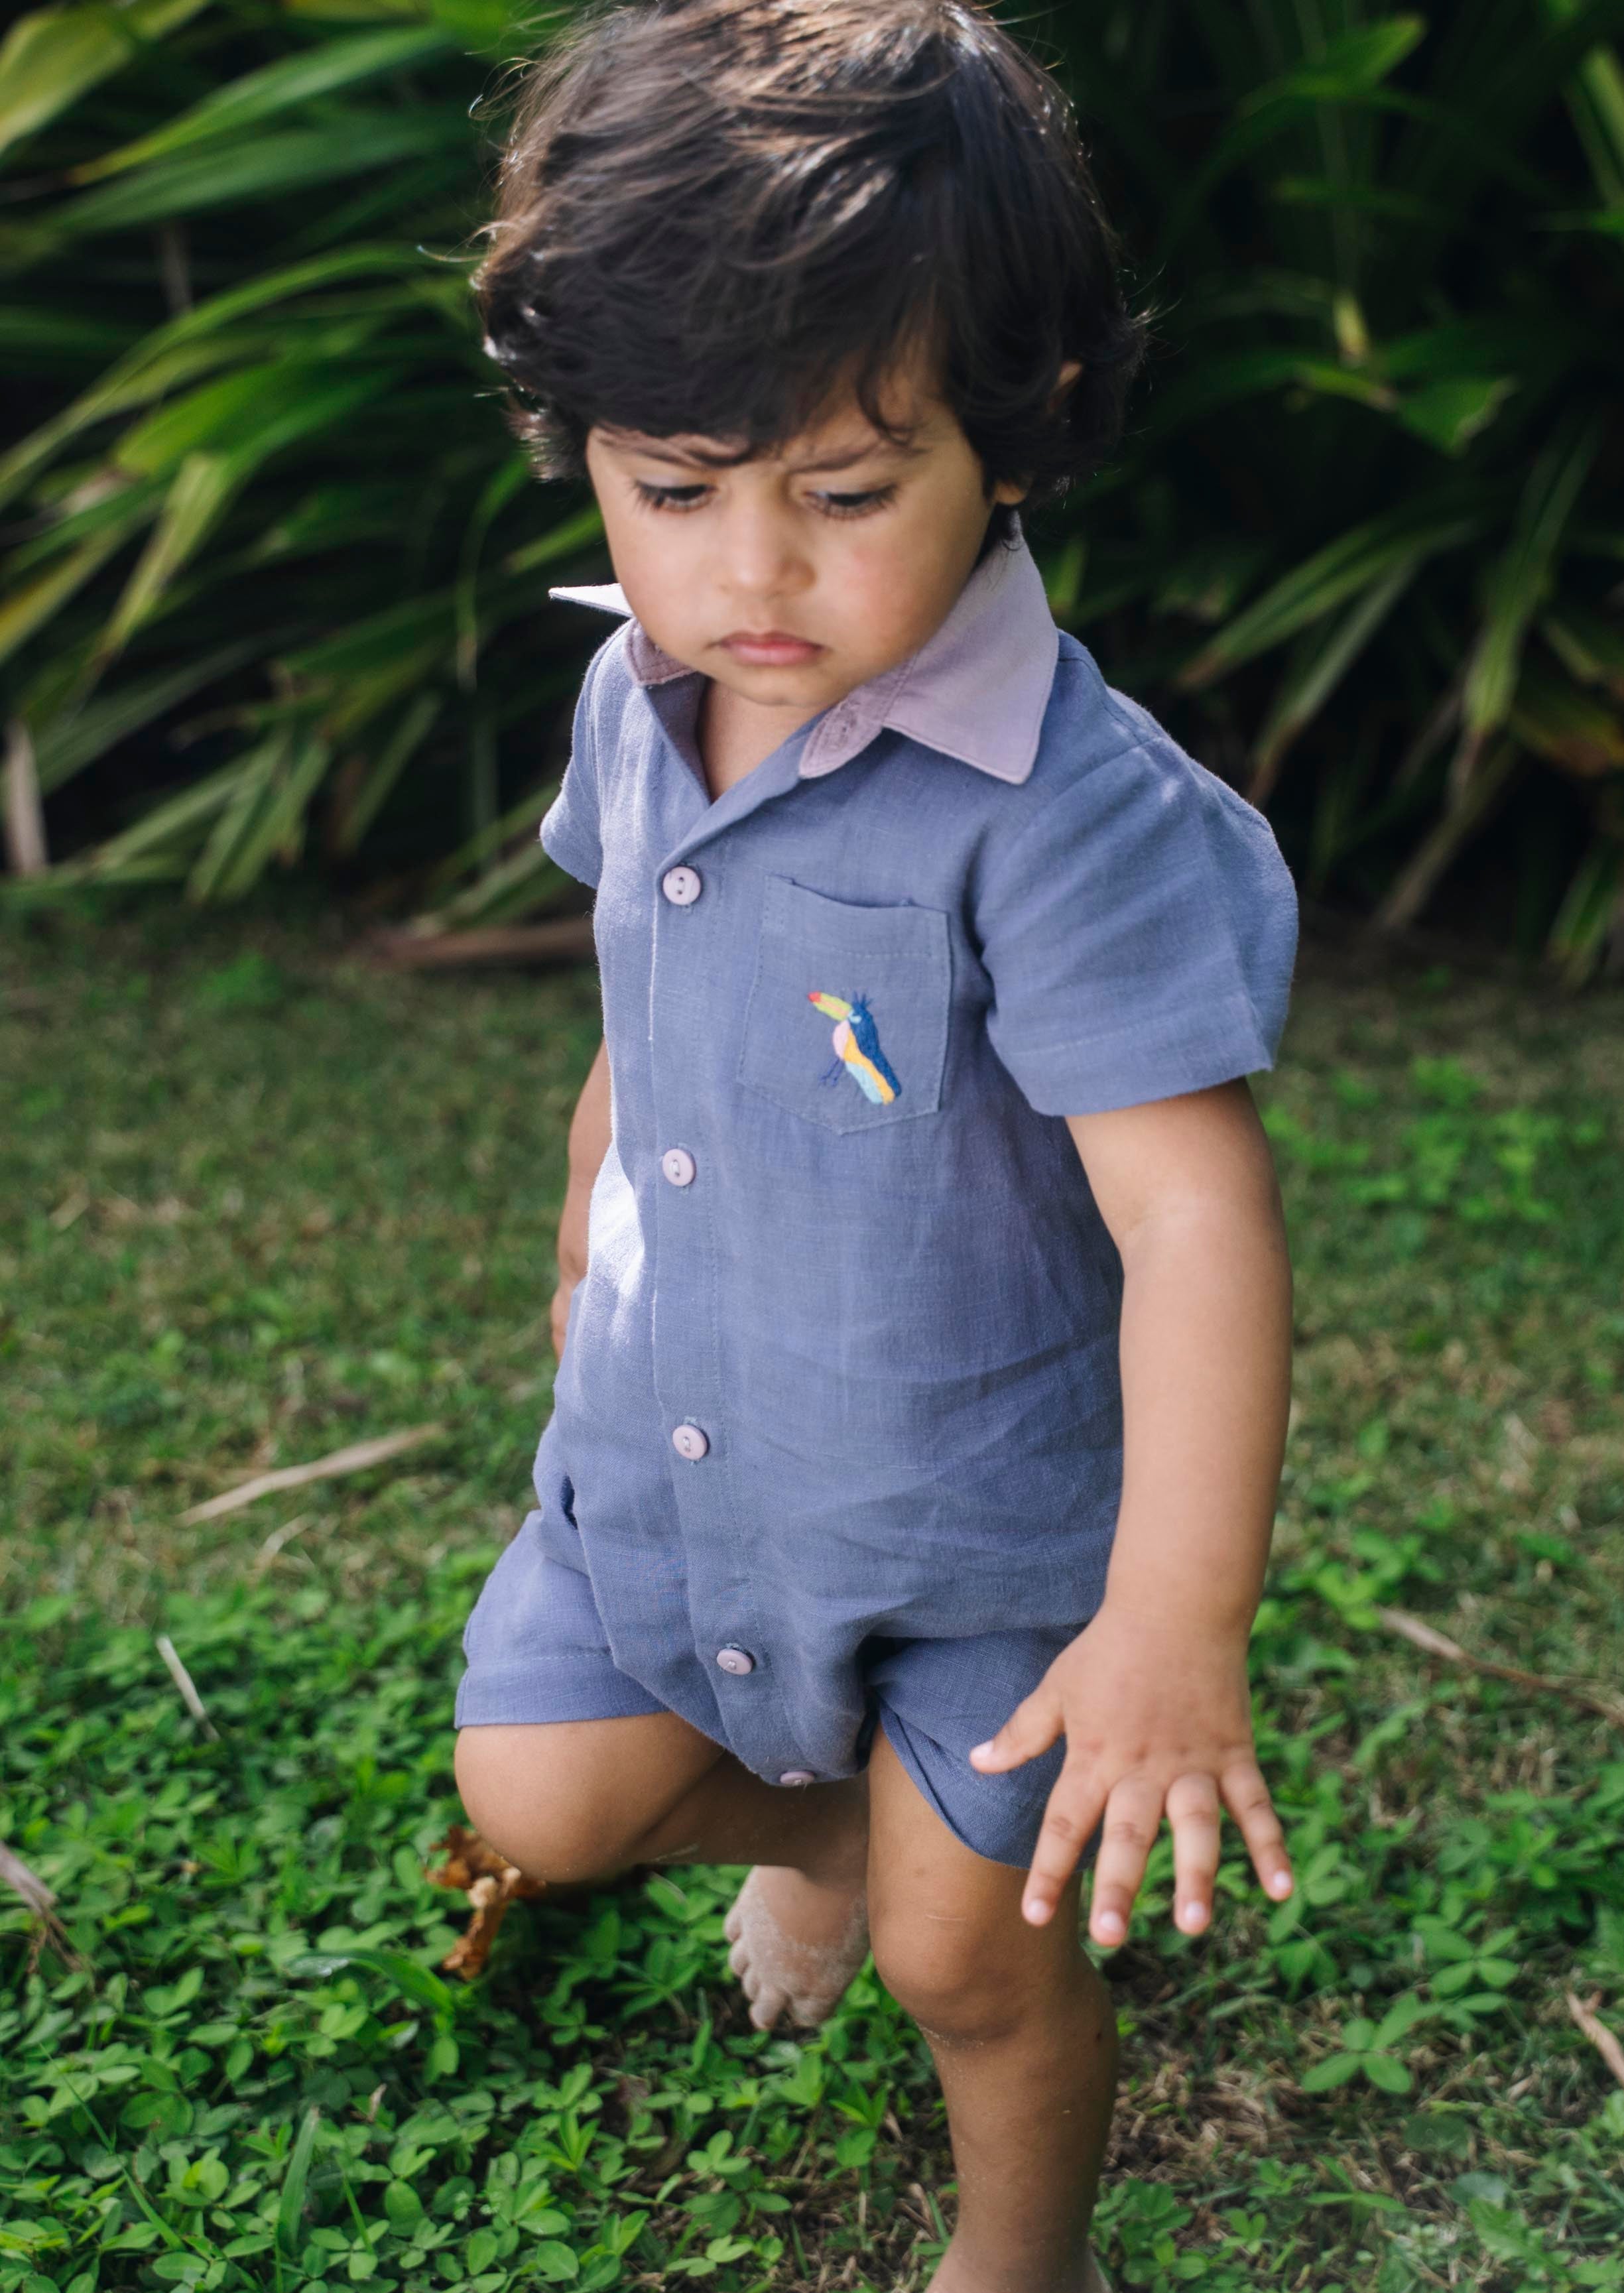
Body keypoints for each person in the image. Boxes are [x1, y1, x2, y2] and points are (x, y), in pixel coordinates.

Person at [452, 3, 1298, 2286]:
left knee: (967, 1953)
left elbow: (1198, 1217)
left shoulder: (1063, 821)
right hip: (692, 1445)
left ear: (1016, 440)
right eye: (674, 487)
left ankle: (1017, 2255)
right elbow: (645, 1002)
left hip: (989, 1521)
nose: (754, 574)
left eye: (841, 494)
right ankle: (820, 1812)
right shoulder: (636, 701)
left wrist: (1171, 1623)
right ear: (589, 451)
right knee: (535, 1799)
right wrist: (581, 1247)